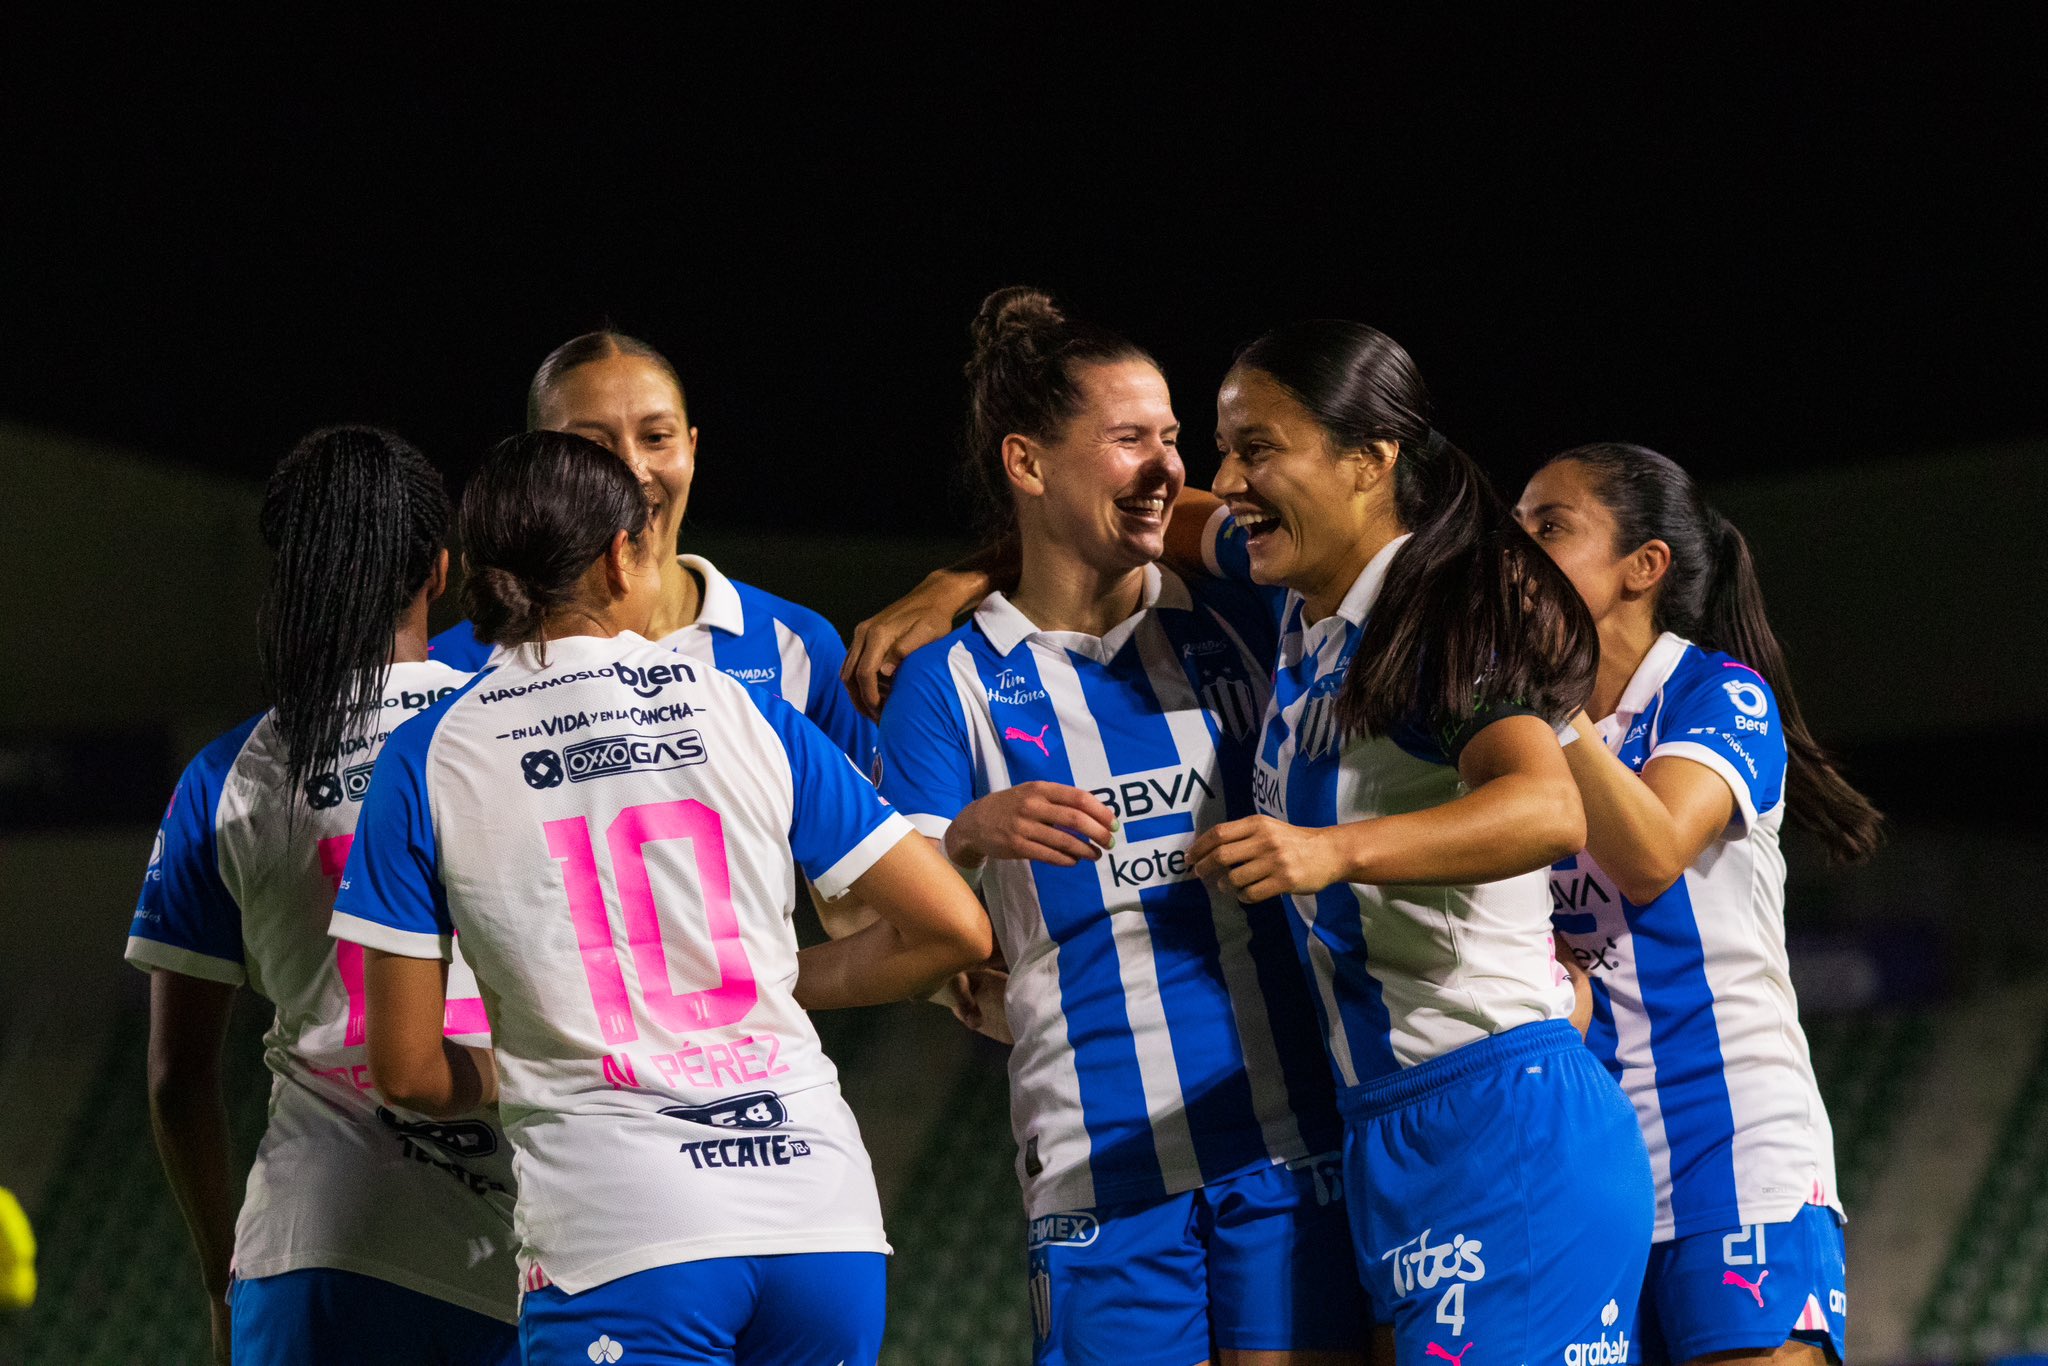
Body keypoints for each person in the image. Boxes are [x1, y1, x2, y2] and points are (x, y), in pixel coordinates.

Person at [331, 429, 991, 1366]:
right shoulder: (746, 707)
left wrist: (521, 1070)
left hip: (626, 1230)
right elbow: (954, 927)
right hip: (819, 1215)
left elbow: (403, 1071)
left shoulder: (430, 754)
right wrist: (777, 983)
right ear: (618, 556)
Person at [874, 288, 1365, 1366]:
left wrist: (959, 569)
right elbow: (878, 910)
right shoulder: (944, 686)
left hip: (1288, 1146)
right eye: (1129, 438)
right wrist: (963, 835)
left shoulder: (1244, 619)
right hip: (1098, 1170)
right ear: (1026, 462)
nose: (1167, 466)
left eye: (1173, 438)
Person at [1181, 322, 1654, 1363]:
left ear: (1368, 456)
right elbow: (1151, 520)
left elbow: (1544, 807)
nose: (1226, 479)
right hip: (1394, 1129)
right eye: (1223, 448)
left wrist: (1329, 852)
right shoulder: (1310, 606)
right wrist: (961, 581)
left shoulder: (1439, 607)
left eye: (1255, 449)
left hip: (1498, 1122)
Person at [126, 427, 518, 1366]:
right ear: (440, 568)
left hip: (309, 1255)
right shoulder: (505, 732)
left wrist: (224, 1277)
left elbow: (178, 1082)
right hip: (515, 1248)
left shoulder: (226, 780)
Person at [1513, 444, 1879, 1366]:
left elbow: (1649, 855)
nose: (1513, 552)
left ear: (1645, 568)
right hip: (1594, 1167)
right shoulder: (1510, 734)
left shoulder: (1718, 695)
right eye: (1513, 529)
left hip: (1736, 1149)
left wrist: (1550, 709)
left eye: (1549, 527)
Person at [429, 330, 876, 766]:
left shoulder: (800, 647)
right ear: (536, 465)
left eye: (656, 437)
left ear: (692, 447)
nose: (631, 468)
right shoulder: (450, 671)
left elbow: (868, 834)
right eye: (591, 445)